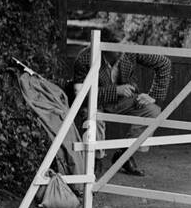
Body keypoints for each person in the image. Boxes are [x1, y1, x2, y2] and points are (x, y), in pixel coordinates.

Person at [74, 26, 172, 177]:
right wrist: (116, 90)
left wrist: (153, 95)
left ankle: (124, 155)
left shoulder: (129, 51)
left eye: (123, 45)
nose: (121, 51)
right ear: (104, 46)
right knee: (93, 117)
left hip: (124, 101)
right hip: (95, 103)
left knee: (153, 111)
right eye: (116, 48)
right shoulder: (85, 58)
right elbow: (80, 94)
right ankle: (95, 161)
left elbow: (164, 63)